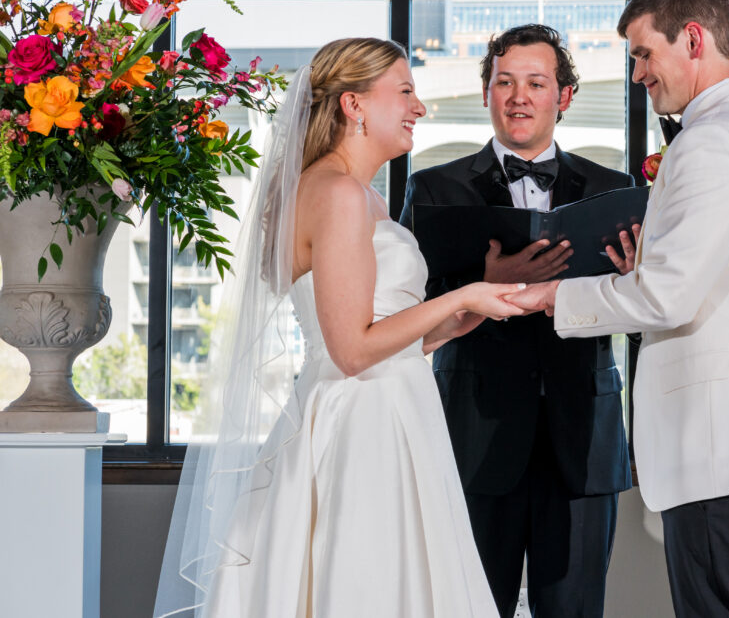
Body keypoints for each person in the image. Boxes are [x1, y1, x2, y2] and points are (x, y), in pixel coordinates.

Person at [153, 38, 527, 618]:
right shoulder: (339, 194)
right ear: (353, 105)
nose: (419, 108)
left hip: (392, 407)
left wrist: (460, 318)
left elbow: (379, 335)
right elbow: (351, 351)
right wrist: (462, 292)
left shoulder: (358, 195)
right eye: (404, 91)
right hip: (364, 424)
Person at [506, 0, 729, 618]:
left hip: (723, 457)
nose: (638, 74)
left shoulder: (714, 142)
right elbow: (702, 282)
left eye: (645, 53)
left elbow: (668, 298)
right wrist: (641, 264)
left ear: (694, 39)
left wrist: (550, 297)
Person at [398, 24, 632, 618]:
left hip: (582, 439)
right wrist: (484, 288)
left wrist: (634, 285)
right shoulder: (433, 190)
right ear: (486, 93)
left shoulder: (617, 190)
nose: (519, 96)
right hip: (474, 438)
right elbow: (404, 315)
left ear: (565, 96)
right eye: (505, 82)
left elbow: (644, 319)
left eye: (535, 83)